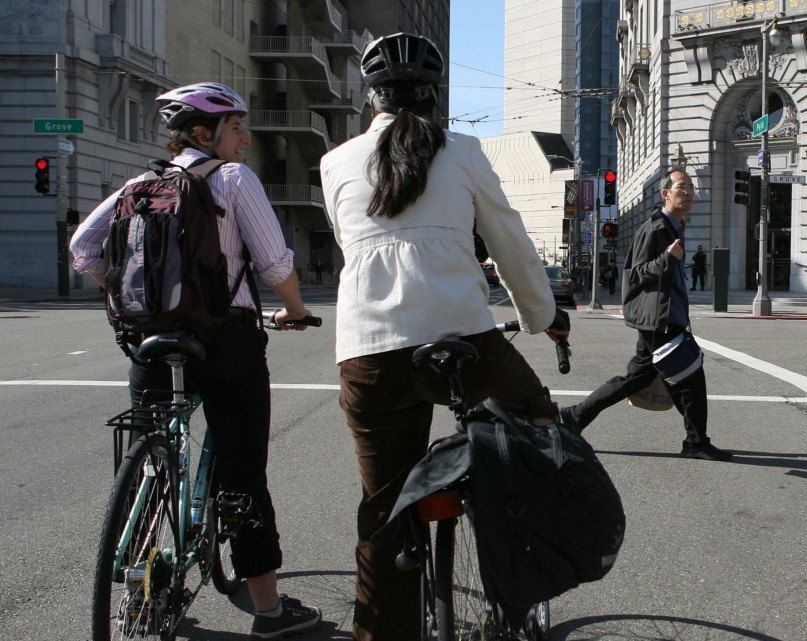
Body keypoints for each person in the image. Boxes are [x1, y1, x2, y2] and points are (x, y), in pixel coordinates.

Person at [318, 32, 571, 641]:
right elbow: (507, 239)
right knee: (536, 419)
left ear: (368, 96)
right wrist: (543, 316)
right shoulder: (463, 151)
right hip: (464, 343)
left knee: (384, 506)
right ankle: (515, 554)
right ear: (435, 95)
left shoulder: (334, 161)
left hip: (369, 351)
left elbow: (349, 244)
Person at [70, 82, 322, 640]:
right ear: (204, 134)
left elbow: (84, 251)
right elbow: (274, 262)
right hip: (226, 342)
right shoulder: (233, 179)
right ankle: (269, 610)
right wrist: (296, 311)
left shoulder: (139, 184)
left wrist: (131, 298)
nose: (246, 137)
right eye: (236, 127)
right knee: (242, 470)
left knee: (153, 467)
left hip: (151, 342)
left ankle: (139, 587)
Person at [559, 169, 732, 462]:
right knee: (690, 380)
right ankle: (696, 442)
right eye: (682, 187)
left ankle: (575, 416)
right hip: (659, 320)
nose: (688, 192)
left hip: (665, 317)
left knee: (635, 378)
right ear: (666, 193)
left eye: (691, 187)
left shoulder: (676, 227)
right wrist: (666, 259)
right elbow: (634, 274)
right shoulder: (654, 229)